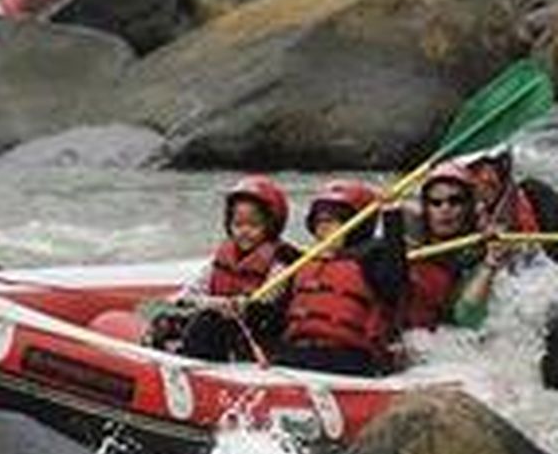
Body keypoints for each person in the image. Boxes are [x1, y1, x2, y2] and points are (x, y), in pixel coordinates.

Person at [275, 180, 406, 377]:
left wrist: (392, 215)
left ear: (358, 226)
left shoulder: (372, 259)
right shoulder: (305, 263)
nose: (324, 228)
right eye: (319, 221)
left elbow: (394, 281)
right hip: (299, 352)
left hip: (351, 358)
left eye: (334, 221)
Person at [162, 175, 299, 362]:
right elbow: (192, 291)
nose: (244, 231)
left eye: (253, 225)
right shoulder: (222, 257)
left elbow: (264, 304)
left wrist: (238, 305)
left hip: (254, 332)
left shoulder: (280, 264)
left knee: (208, 322)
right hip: (219, 318)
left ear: (271, 226)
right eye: (238, 224)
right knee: (167, 322)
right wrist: (196, 301)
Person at [403, 162, 499, 330]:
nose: (445, 209)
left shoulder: (479, 255)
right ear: (426, 209)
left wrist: (490, 265)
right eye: (436, 202)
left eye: (455, 201)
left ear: (468, 208)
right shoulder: (407, 243)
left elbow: (467, 318)